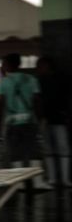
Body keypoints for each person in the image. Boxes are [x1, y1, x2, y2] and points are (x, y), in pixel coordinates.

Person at [0, 53, 52, 189]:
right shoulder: (31, 79)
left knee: (16, 153)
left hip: (12, 122)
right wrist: (40, 119)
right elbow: (37, 101)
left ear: (7, 65)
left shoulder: (3, 82)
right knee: (34, 151)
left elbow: (1, 105)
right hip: (30, 121)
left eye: (4, 63)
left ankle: (19, 183)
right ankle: (37, 182)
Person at [36, 56, 71, 187]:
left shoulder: (41, 81)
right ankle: (63, 179)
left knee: (51, 149)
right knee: (60, 148)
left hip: (51, 118)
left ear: (47, 66)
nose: (38, 69)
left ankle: (53, 178)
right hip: (58, 118)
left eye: (40, 66)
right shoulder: (62, 79)